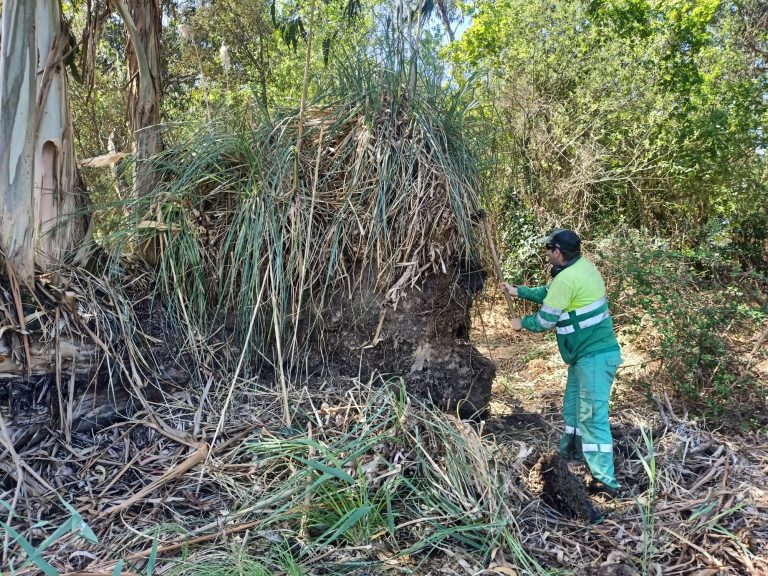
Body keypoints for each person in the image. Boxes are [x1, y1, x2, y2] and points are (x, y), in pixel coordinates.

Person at [500, 229, 622, 493]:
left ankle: (606, 480)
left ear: (557, 253)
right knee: (573, 409)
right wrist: (517, 291)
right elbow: (549, 292)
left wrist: (521, 323)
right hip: (584, 356)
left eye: (549, 250)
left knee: (591, 416)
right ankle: (573, 454)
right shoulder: (581, 269)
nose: (547, 255)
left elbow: (546, 320)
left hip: (595, 357)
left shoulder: (566, 280)